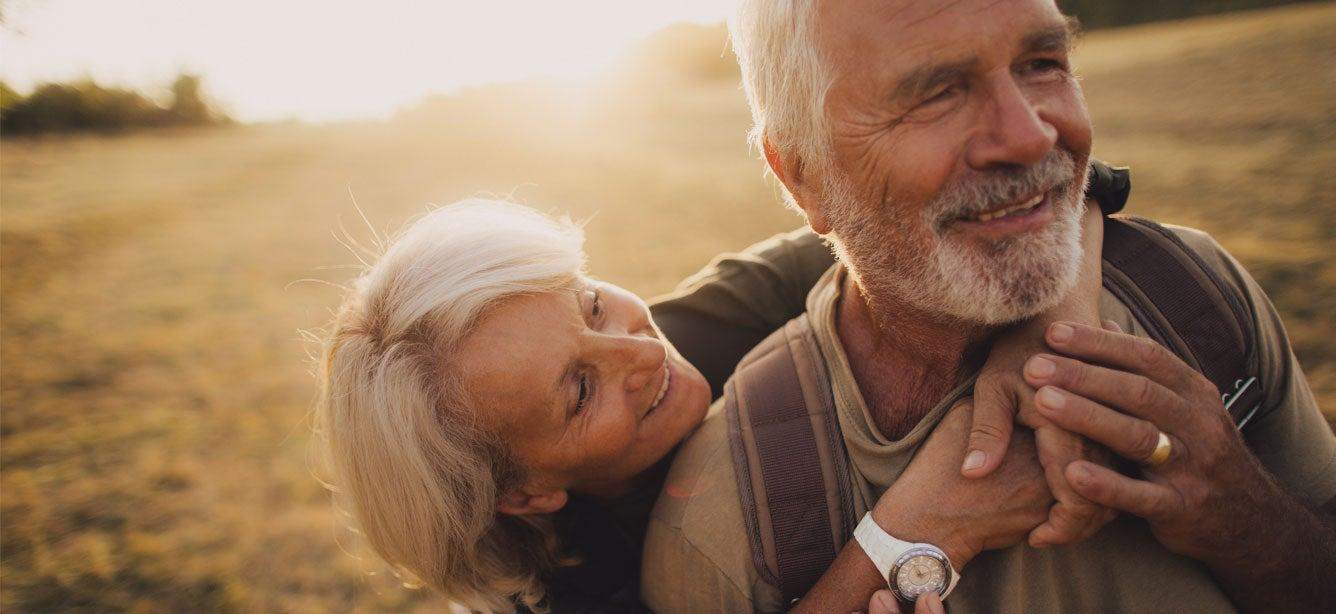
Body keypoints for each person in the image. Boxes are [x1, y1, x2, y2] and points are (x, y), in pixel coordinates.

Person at [639, 0, 1336, 612]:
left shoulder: (1197, 294)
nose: (1032, 135)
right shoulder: (728, 516)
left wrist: (1247, 518)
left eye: (1041, 62)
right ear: (803, 174)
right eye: (936, 92)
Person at [313, 172, 1122, 613]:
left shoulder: (689, 327)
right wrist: (912, 532)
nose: (636, 348)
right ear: (524, 494)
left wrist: (1048, 338)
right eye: (579, 390)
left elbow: (1035, 182)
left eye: (591, 302)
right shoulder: (570, 594)